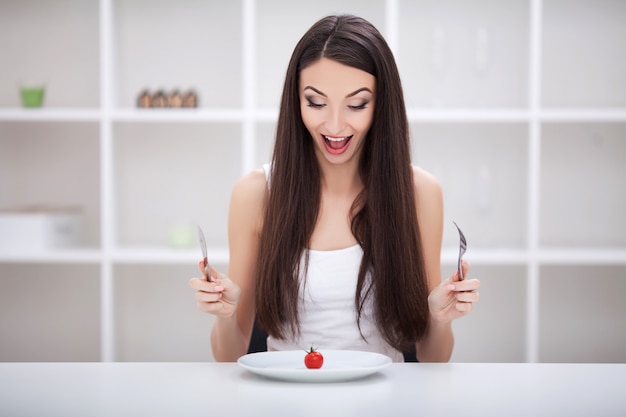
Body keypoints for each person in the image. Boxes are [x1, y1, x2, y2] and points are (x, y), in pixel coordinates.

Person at [189, 14, 480, 362]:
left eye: (357, 104)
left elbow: (434, 359)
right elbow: (229, 355)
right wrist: (224, 316)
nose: (335, 125)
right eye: (315, 102)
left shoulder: (419, 192)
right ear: (296, 101)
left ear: (381, 104)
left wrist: (440, 318)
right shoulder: (256, 194)